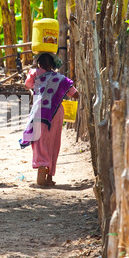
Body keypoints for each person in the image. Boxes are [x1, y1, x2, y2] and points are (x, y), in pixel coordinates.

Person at [19, 52, 78, 186]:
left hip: (39, 112)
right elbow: (75, 94)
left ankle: (41, 164)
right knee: (53, 142)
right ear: (53, 64)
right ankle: (50, 175)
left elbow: (27, 85)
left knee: (39, 140)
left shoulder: (35, 75)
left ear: (39, 64)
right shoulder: (61, 78)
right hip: (55, 113)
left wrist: (35, 73)